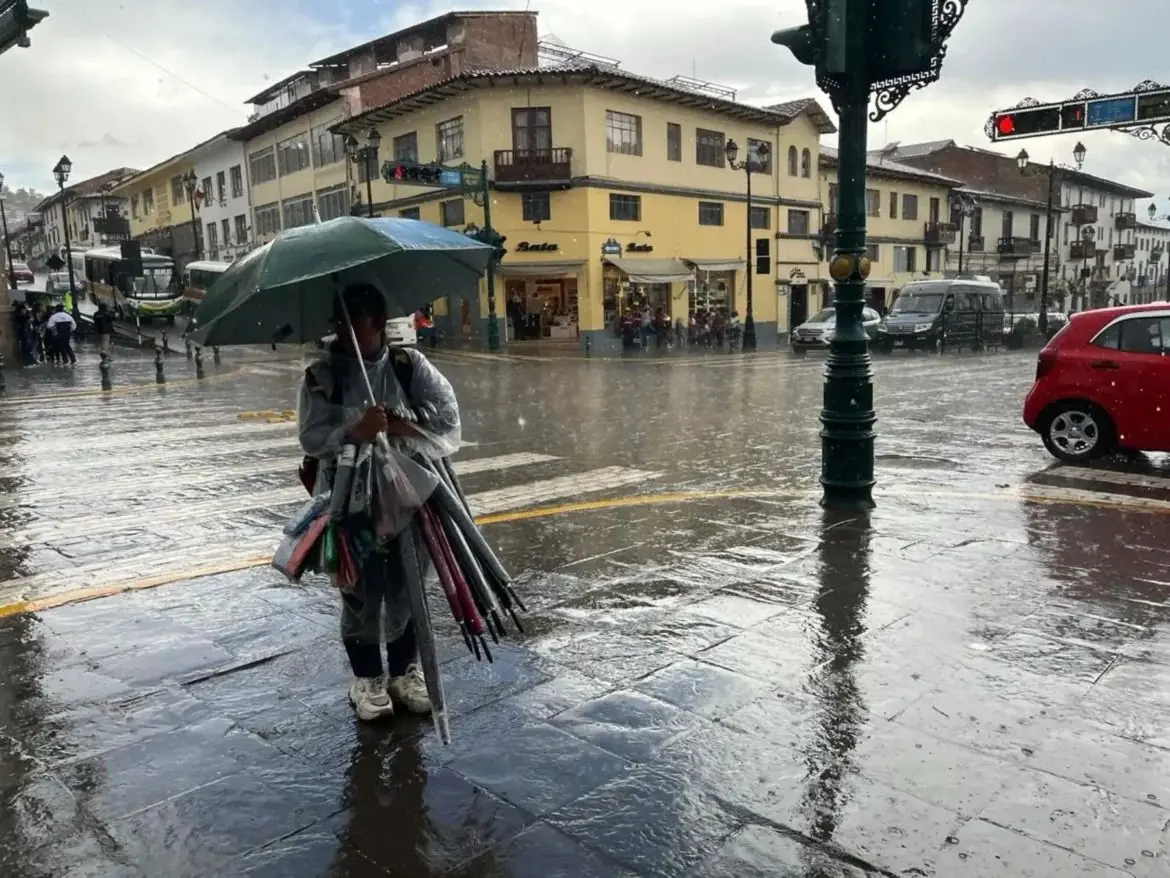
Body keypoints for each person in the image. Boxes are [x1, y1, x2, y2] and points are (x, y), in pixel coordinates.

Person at [297, 283, 461, 722]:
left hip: (408, 494)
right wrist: (355, 431)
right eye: (340, 323)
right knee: (359, 588)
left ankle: (405, 672)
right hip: (349, 499)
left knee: (407, 582)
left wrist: (407, 424)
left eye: (356, 323)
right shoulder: (322, 375)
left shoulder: (410, 366)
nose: (346, 333)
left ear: (376, 323)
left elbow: (446, 417)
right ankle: (367, 677)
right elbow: (311, 437)